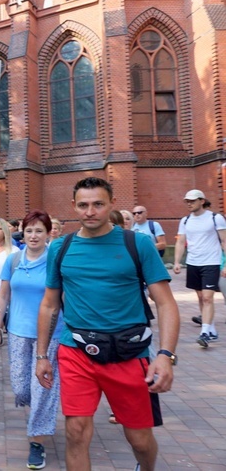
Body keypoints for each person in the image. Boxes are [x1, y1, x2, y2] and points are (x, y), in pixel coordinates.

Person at [36, 177, 180, 471]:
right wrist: (41, 356)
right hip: (77, 351)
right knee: (76, 433)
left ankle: (146, 467)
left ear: (111, 204)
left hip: (128, 353)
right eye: (84, 205)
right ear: (73, 207)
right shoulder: (60, 249)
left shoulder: (136, 244)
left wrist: (166, 356)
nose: (90, 211)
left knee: (139, 439)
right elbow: (49, 304)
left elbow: (165, 302)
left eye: (98, 204)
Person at [0, 210, 62, 470]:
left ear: (48, 234)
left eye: (39, 231)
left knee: (42, 387)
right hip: (18, 332)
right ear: (23, 232)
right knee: (22, 388)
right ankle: (40, 416)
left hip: (51, 333)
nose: (34, 236)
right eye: (30, 230)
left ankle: (37, 442)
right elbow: (2, 296)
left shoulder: (55, 260)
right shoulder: (12, 260)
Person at [173, 189, 226, 347]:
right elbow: (181, 242)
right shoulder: (185, 220)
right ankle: (211, 329)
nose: (189, 203)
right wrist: (177, 261)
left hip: (211, 262)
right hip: (193, 262)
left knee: (208, 298)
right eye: (187, 201)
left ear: (202, 201)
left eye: (192, 200)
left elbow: (224, 241)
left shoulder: (215, 218)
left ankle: (204, 333)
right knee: (202, 298)